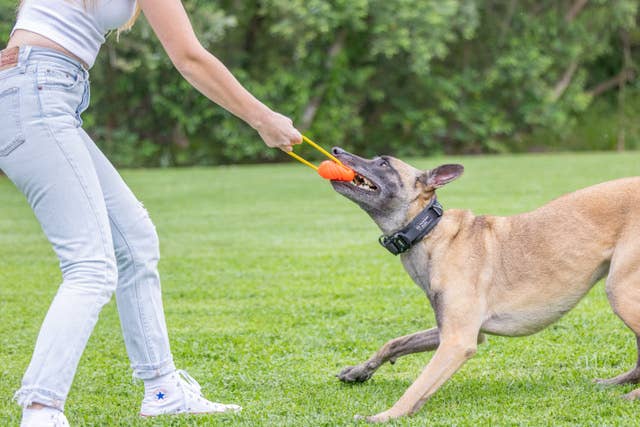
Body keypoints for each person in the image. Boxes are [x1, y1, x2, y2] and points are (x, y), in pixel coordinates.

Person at [0, 0, 302, 425]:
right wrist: (262, 118)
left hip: (40, 90)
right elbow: (189, 57)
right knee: (90, 267)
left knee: (135, 240)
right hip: (38, 91)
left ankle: (163, 389)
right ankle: (41, 409)